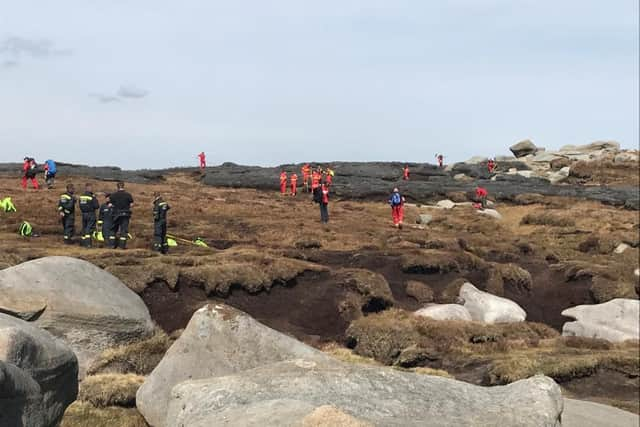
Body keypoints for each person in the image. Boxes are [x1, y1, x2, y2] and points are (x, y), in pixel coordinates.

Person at [109, 182, 134, 249]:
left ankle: (112, 245)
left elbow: (110, 204)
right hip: (125, 214)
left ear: (117, 187)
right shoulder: (128, 195)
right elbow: (131, 204)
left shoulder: (113, 195)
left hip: (116, 214)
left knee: (113, 230)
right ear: (123, 186)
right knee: (123, 230)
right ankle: (122, 246)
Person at [78, 183, 99, 248]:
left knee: (84, 228)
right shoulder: (91, 197)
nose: (92, 189)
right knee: (89, 229)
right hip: (90, 214)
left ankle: (83, 243)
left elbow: (80, 205)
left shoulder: (81, 196)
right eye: (91, 188)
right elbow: (96, 206)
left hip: (84, 214)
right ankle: (88, 244)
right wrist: (95, 198)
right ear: (89, 188)